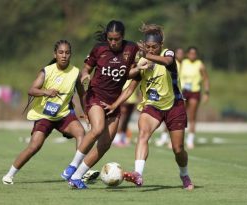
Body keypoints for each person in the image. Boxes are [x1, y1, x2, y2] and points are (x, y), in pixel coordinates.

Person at [102, 23, 194, 190]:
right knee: (143, 134)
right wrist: (115, 104)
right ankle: (138, 174)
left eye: (154, 47)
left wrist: (146, 55)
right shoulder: (142, 61)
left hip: (174, 106)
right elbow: (130, 87)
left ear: (161, 45)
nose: (151, 50)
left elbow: (167, 61)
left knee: (178, 149)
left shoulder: (168, 54)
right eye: (148, 47)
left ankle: (184, 174)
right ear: (144, 45)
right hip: (152, 106)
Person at [61, 20, 140, 189]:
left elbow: (130, 85)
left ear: (122, 37)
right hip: (95, 95)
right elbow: (86, 69)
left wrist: (115, 105)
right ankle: (72, 166)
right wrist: (84, 76)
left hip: (114, 102)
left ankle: (76, 177)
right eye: (110, 39)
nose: (112, 42)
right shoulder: (99, 49)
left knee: (104, 145)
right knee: (96, 129)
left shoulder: (132, 49)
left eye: (116, 39)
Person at [2, 40, 87, 185]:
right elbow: (31, 90)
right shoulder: (46, 71)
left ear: (71, 54)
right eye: (61, 52)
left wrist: (86, 113)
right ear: (55, 54)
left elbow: (82, 94)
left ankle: (76, 170)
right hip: (44, 116)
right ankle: (9, 175)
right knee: (35, 146)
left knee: (80, 133)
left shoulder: (75, 72)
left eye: (67, 52)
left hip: (63, 115)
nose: (64, 55)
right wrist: (46, 92)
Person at [180, 46, 210, 149]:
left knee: (192, 116)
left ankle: (190, 140)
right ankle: (179, 138)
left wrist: (206, 92)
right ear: (187, 54)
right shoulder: (183, 63)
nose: (192, 55)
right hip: (183, 91)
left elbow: (205, 78)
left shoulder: (200, 65)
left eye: (194, 53)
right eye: (190, 53)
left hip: (194, 91)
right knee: (180, 115)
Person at [155, 47, 185, 147]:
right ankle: (164, 138)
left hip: (180, 94)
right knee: (166, 119)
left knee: (177, 119)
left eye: (181, 53)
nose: (180, 55)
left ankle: (177, 140)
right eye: (178, 53)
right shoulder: (167, 59)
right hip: (168, 94)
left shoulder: (186, 64)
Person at [112, 79, 139, 147]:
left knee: (127, 119)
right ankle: (117, 137)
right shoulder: (127, 71)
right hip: (125, 97)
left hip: (132, 99)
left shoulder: (136, 71)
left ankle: (123, 137)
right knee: (122, 119)